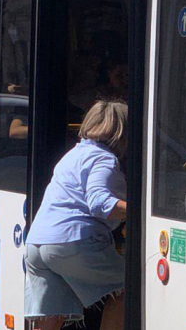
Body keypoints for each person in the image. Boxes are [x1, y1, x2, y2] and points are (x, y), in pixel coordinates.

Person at [25, 100, 128, 330]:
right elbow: (100, 203)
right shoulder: (104, 159)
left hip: (36, 244)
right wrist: (139, 211)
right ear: (121, 133)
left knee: (52, 317)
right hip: (70, 244)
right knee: (127, 287)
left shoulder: (72, 154)